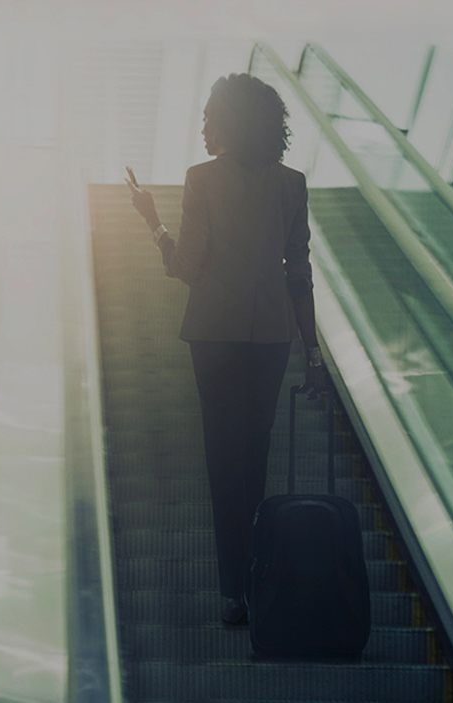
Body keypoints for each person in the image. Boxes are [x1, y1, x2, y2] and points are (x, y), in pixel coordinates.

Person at [127, 73, 327, 625]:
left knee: (223, 457)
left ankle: (236, 592)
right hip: (270, 339)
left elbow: (186, 268)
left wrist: (153, 222)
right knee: (255, 458)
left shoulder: (202, 180)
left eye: (211, 115)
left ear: (226, 122)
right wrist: (313, 352)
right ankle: (260, 581)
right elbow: (299, 274)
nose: (204, 126)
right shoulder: (292, 183)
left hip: (214, 335)